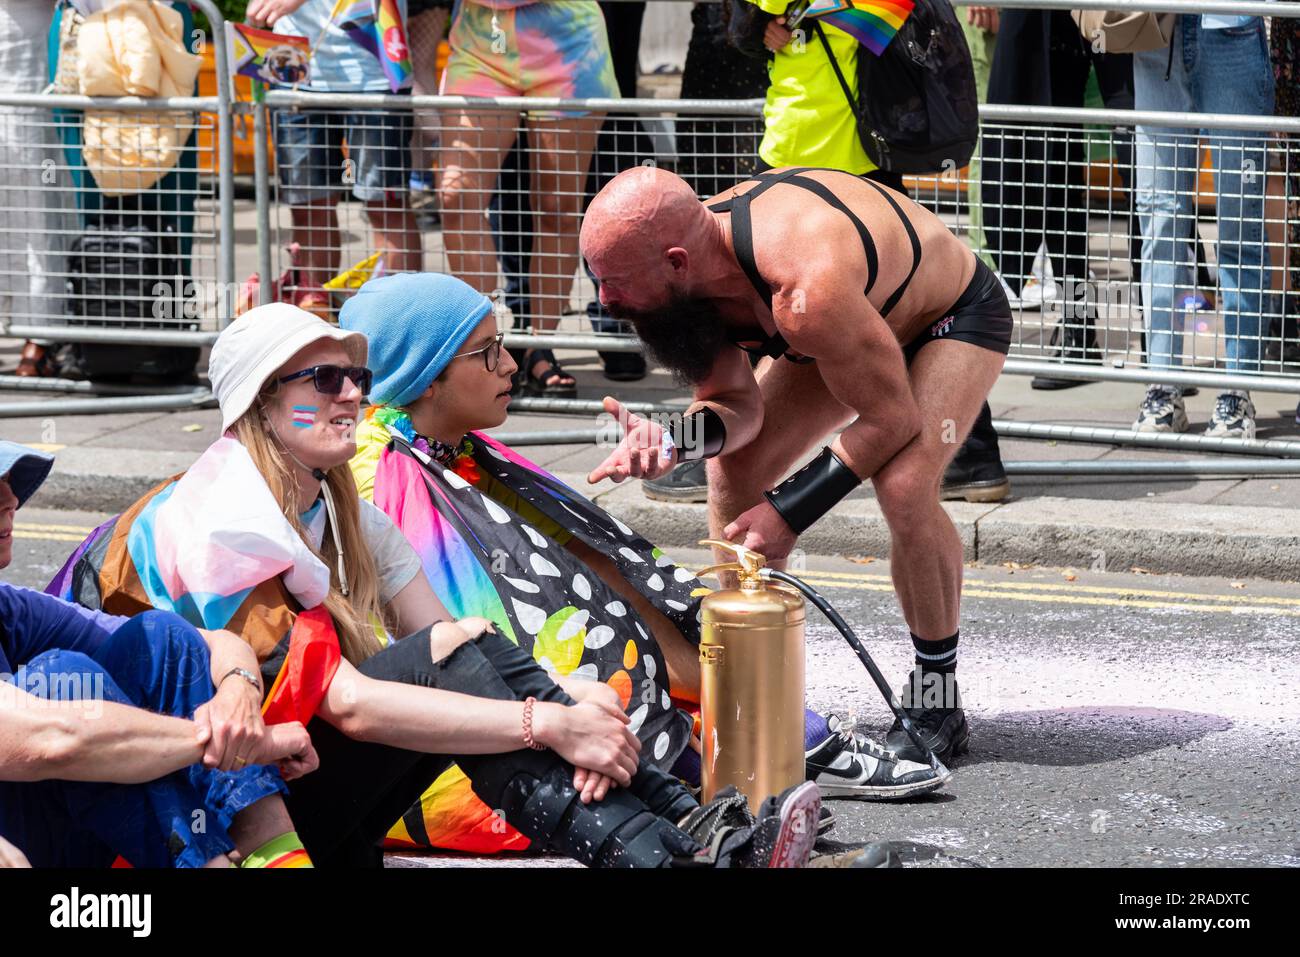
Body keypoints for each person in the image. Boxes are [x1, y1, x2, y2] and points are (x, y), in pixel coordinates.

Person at [55, 304, 825, 868]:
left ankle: (687, 827)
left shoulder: (329, 497)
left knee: (468, 646)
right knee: (462, 674)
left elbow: (453, 635)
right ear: (261, 400)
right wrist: (548, 726)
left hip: (290, 784)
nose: (353, 394)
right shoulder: (224, 519)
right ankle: (669, 853)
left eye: (355, 376)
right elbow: (350, 703)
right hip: (197, 826)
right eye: (324, 380)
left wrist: (570, 702)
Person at [338, 273, 948, 851]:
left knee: (613, 571)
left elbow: (589, 552)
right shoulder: (377, 477)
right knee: (587, 617)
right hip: (446, 754)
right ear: (424, 377)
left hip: (508, 706)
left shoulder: (444, 447)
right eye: (487, 351)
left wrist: (667, 449)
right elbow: (450, 643)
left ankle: (779, 735)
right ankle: (721, 773)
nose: (511, 363)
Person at [582, 164, 1015, 764]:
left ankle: (937, 699)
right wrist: (675, 441)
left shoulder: (800, 287)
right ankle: (749, 683)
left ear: (677, 263)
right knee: (734, 467)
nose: (605, 301)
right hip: (848, 328)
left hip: (945, 318)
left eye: (617, 283)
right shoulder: (697, 273)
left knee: (905, 483)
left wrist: (788, 511)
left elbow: (892, 421)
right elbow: (735, 408)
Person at [641, 0, 1009, 506]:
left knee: (901, 306)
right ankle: (973, 454)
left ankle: (970, 451)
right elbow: (743, 25)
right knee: (753, 313)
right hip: (795, 147)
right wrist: (763, 26)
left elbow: (875, 15)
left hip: (843, 158)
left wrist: (774, 18)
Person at [0, 441, 318, 868]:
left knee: (161, 638)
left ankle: (277, 852)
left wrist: (238, 694)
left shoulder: (11, 609)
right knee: (63, 678)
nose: (11, 499)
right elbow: (53, 741)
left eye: (9, 484)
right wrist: (243, 745)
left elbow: (213, 645)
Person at [438, 0, 620, 397]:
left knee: (558, 207)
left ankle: (541, 348)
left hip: (567, 45)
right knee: (455, 197)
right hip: (480, 44)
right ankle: (479, 351)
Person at [1131, 13, 1274, 438]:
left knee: (1239, 224)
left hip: (1230, 28)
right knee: (1159, 221)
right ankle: (1162, 387)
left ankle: (1238, 391)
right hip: (1157, 32)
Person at [246, 0, 421, 315]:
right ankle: (317, 329)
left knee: (386, 205)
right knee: (308, 210)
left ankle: (402, 325)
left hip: (373, 73)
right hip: (293, 70)